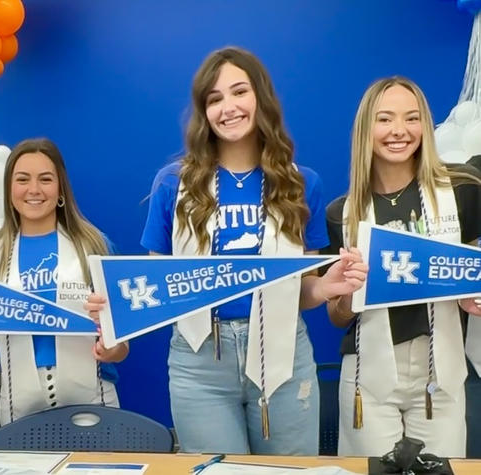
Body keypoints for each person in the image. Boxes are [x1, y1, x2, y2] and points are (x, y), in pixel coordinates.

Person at [88, 46, 365, 455]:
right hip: (198, 360)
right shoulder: (172, 184)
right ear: (204, 111)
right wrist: (117, 308)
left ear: (261, 98)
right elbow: (160, 289)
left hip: (282, 354)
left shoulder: (301, 183)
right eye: (214, 99)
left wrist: (325, 289)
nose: (228, 107)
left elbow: (300, 290)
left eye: (239, 92)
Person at [325, 77, 481, 457]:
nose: (399, 131)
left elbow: (471, 272)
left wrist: (471, 295)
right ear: (367, 129)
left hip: (440, 369)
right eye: (385, 119)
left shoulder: (462, 191)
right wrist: (347, 294)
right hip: (368, 373)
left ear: (424, 127)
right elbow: (337, 315)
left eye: (411, 119)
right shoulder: (341, 213)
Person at [0, 138, 129, 426]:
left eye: (45, 179)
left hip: (93, 400)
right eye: (22, 179)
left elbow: (121, 347)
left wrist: (111, 348)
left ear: (60, 188)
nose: (34, 190)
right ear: (9, 189)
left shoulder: (95, 246)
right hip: (19, 406)